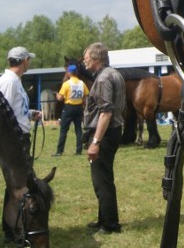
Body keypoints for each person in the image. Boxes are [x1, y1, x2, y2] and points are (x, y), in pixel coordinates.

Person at [0, 46, 42, 243]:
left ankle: (11, 227)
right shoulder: (8, 81)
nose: (29, 63)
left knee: (17, 184)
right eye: (28, 60)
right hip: (15, 140)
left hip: (20, 137)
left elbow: (14, 109)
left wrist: (30, 114)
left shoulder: (15, 81)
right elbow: (1, 113)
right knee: (18, 185)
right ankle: (12, 229)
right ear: (23, 61)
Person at [82, 42, 126, 234]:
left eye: (87, 58)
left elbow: (105, 113)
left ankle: (110, 225)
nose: (84, 62)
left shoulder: (102, 80)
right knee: (104, 177)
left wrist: (95, 142)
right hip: (113, 131)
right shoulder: (115, 74)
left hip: (104, 134)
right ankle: (103, 219)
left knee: (102, 180)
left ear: (97, 58)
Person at [53, 64, 88, 156]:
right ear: (76, 73)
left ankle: (59, 151)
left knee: (64, 130)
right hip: (79, 107)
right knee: (78, 129)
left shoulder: (66, 84)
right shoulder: (82, 83)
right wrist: (81, 100)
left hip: (69, 107)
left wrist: (56, 94)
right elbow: (85, 95)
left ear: (69, 73)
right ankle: (78, 150)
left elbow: (60, 98)